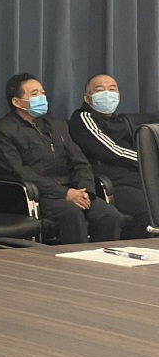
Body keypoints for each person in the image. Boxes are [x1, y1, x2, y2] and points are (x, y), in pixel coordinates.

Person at [0, 72, 123, 244]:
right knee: (72, 214)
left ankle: (103, 260)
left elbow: (80, 162)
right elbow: (19, 172)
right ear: (17, 102)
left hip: (73, 190)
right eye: (35, 94)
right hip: (37, 195)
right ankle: (75, 259)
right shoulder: (4, 132)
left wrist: (86, 192)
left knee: (110, 215)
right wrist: (64, 193)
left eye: (42, 92)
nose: (42, 97)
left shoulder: (57, 126)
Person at [68, 74, 149, 238]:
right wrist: (147, 161)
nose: (107, 94)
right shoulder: (84, 118)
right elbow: (111, 150)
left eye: (112, 89)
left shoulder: (119, 121)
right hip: (111, 184)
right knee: (150, 210)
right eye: (100, 90)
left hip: (136, 180)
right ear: (87, 98)